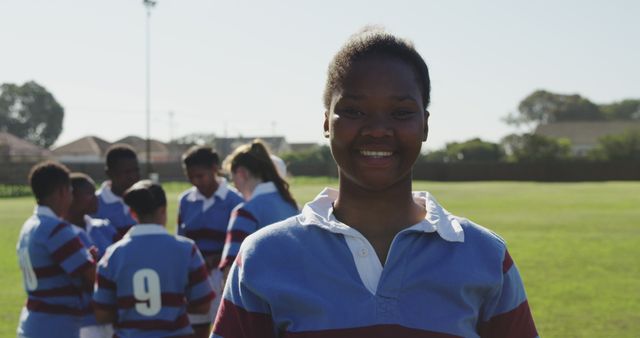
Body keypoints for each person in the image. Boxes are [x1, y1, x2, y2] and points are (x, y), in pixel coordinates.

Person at [212, 28, 538, 338]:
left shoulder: (485, 256)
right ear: (327, 122)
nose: (378, 129)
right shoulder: (263, 257)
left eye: (401, 112)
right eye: (353, 110)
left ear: (425, 125)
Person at [93, 180, 215, 337]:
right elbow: (203, 305)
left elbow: (102, 314)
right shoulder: (186, 249)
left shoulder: (113, 254)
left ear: (133, 213)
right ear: (164, 210)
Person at [16, 161, 96, 338]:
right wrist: (93, 263)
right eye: (70, 191)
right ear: (62, 192)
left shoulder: (29, 226)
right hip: (54, 326)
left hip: (34, 321)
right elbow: (92, 277)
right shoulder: (55, 229)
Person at [177, 146, 244, 337]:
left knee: (221, 327)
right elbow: (182, 239)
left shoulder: (234, 200)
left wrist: (217, 258)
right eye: (191, 177)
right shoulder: (186, 201)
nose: (196, 182)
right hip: (194, 275)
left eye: (201, 176)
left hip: (222, 275)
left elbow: (240, 241)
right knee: (194, 327)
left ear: (214, 169)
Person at [217, 140, 299, 275]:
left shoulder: (245, 212)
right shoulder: (293, 206)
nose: (235, 186)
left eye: (233, 179)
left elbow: (230, 271)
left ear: (242, 173)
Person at [66, 173, 117, 338]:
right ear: (71, 197)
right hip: (84, 320)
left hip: (113, 315)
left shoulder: (104, 227)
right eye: (89, 193)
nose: (96, 198)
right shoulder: (63, 236)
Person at [92, 144, 140, 238]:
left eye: (136, 170)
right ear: (109, 173)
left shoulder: (145, 201)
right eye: (127, 172)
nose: (133, 177)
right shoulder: (94, 204)